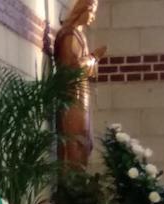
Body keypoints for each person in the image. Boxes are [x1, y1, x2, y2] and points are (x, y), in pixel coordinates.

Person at [54, 0, 107, 166]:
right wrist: (93, 58)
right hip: (72, 96)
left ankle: (78, 176)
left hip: (81, 95)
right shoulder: (69, 35)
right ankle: (71, 177)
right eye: (92, 12)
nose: (93, 17)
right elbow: (73, 68)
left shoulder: (80, 35)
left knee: (84, 141)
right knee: (75, 141)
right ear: (83, 10)